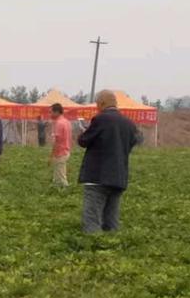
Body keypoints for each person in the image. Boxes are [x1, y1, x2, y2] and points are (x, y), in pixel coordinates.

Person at [77, 89, 140, 233]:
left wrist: (82, 132)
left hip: (98, 176)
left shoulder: (100, 119)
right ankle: (112, 248)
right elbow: (131, 144)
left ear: (102, 103)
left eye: (97, 104)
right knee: (111, 219)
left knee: (92, 219)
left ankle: (94, 250)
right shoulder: (129, 124)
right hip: (118, 176)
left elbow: (84, 141)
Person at [49, 102, 72, 187]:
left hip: (60, 152)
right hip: (66, 151)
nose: (50, 114)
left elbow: (57, 141)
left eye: (51, 112)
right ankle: (56, 191)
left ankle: (65, 192)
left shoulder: (59, 123)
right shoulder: (67, 122)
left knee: (61, 177)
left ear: (57, 112)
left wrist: (52, 155)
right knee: (57, 175)